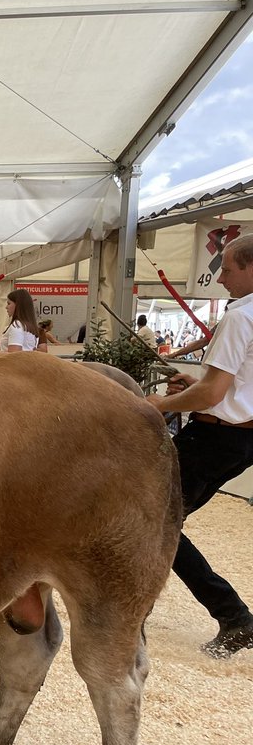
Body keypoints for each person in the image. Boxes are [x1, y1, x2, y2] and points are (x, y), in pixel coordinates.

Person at [146, 236, 253, 656]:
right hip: (242, 438)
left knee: (157, 522)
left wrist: (163, 403)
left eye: (228, 269)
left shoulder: (240, 316)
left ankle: (235, 616)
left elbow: (212, 395)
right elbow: (228, 388)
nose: (221, 277)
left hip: (214, 436)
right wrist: (200, 386)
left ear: (249, 267)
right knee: (164, 522)